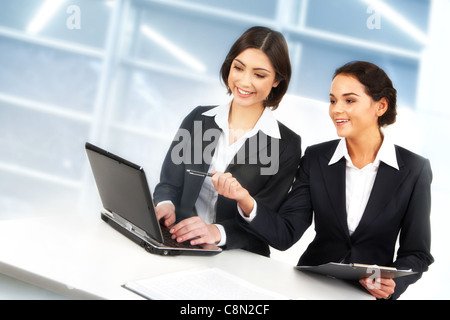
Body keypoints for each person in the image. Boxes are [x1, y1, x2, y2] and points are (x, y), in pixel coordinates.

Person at [213, 61, 433, 299]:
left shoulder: (414, 169)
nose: (336, 109)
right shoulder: (316, 158)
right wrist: (245, 200)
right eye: (332, 100)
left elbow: (417, 253)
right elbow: (286, 233)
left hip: (367, 294)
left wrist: (393, 284)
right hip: (310, 287)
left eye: (349, 100)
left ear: (380, 106)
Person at [153, 26, 301, 257]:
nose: (244, 82)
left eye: (259, 75)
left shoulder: (286, 144)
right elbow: (169, 184)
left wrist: (217, 232)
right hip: (179, 241)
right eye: (238, 68)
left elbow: (267, 217)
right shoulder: (198, 119)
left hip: (238, 254)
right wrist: (165, 205)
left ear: (276, 81)